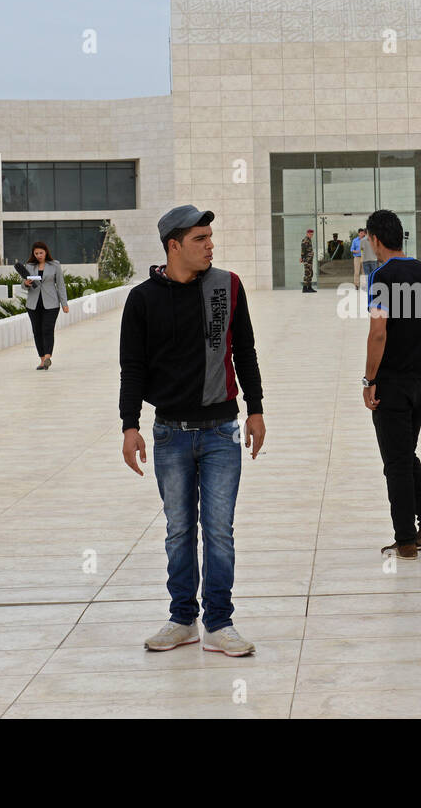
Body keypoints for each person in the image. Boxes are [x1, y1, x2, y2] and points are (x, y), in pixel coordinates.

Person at [120, 204, 266, 658]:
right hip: (170, 434)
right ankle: (182, 619)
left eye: (210, 238)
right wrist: (130, 425)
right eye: (200, 239)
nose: (210, 246)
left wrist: (255, 410)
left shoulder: (227, 286)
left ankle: (219, 624)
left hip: (222, 430)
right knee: (179, 530)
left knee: (218, 530)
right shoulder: (142, 299)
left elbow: (245, 350)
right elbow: (133, 367)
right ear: (173, 245)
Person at [362, 209, 421, 560]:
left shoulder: (381, 275)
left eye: (368, 238)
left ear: (376, 239)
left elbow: (378, 332)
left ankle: (406, 539)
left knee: (395, 462)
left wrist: (369, 380)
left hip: (392, 384)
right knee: (405, 455)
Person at [21, 241, 69, 369]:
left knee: (47, 329)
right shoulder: (29, 266)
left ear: (46, 252)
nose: (38, 255)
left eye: (41, 253)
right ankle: (42, 360)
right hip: (33, 304)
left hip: (51, 303)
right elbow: (23, 285)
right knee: (37, 331)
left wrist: (64, 303)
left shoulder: (55, 265)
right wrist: (26, 283)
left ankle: (48, 356)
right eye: (36, 253)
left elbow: (60, 285)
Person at [300, 228, 315, 293]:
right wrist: (302, 258)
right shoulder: (305, 240)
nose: (311, 235)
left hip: (310, 260)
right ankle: (304, 288)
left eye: (312, 234)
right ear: (307, 233)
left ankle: (309, 287)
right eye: (310, 234)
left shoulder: (309, 240)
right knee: (307, 274)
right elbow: (303, 250)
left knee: (310, 273)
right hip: (307, 260)